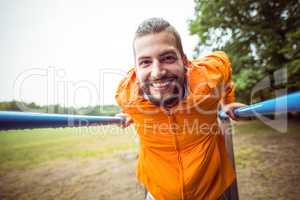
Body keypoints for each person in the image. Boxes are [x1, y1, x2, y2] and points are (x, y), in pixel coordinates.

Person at [115, 18, 246, 200]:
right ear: (136, 70)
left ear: (184, 60)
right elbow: (127, 103)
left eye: (167, 58)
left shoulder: (208, 77)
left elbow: (225, 67)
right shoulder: (126, 94)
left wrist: (227, 102)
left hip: (212, 191)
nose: (157, 72)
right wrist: (131, 113)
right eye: (145, 62)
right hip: (158, 193)